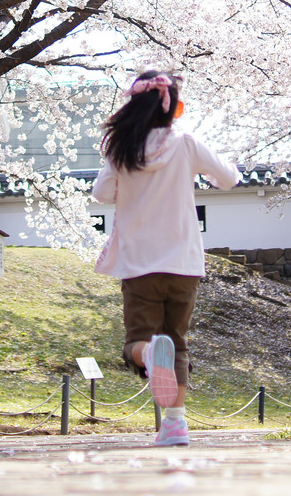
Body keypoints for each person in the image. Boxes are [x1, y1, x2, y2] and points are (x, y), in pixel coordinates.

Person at [91, 71, 241, 447]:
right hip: (183, 264)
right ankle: (175, 424)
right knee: (178, 341)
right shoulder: (186, 144)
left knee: (137, 341)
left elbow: (101, 193)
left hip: (139, 263)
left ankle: (149, 354)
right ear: (174, 107)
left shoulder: (122, 148)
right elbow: (229, 179)